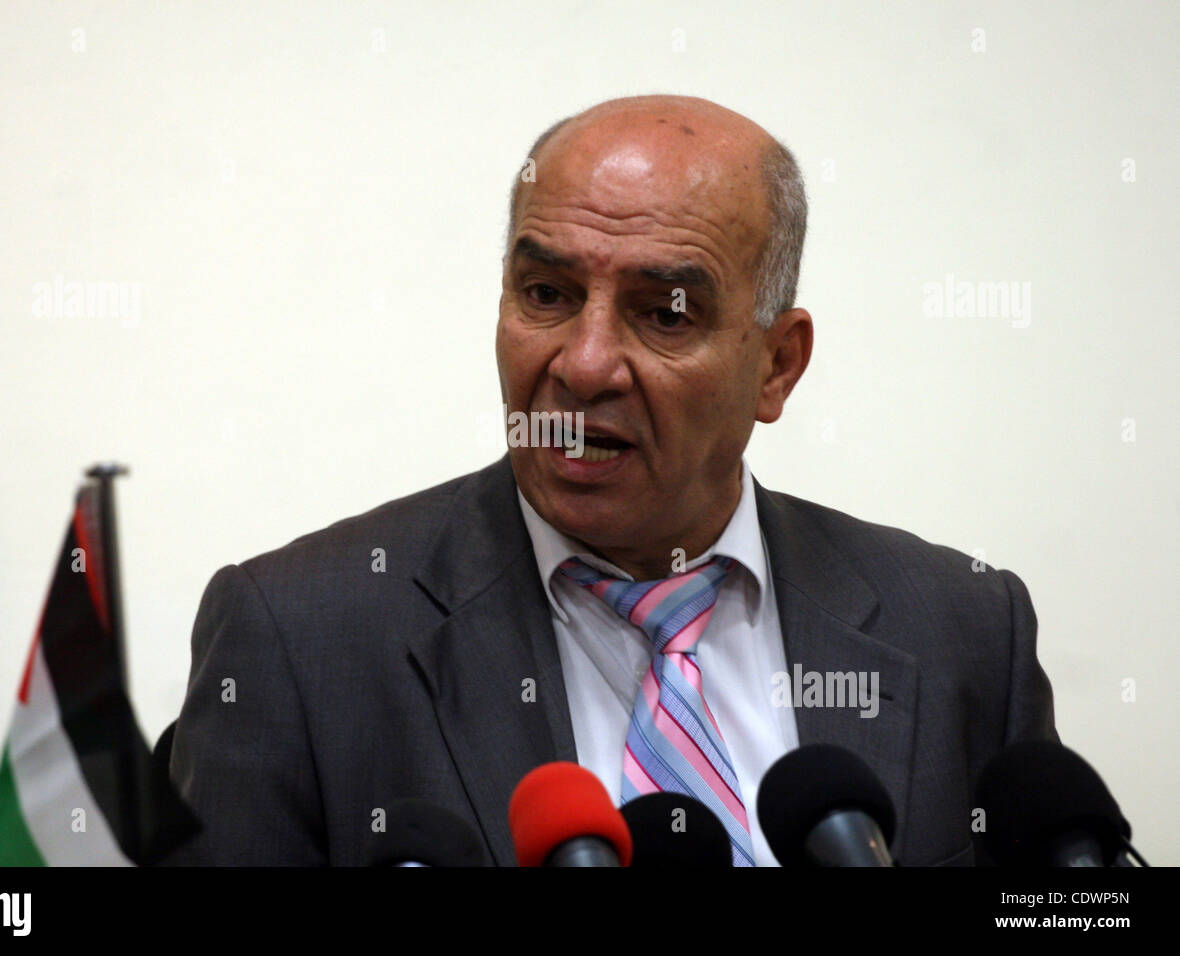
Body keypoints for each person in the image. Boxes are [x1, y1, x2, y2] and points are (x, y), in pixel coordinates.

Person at [165, 95, 1057, 866]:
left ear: (777, 366)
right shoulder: (298, 637)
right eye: (546, 294)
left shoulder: (964, 632)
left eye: (664, 311)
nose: (585, 366)